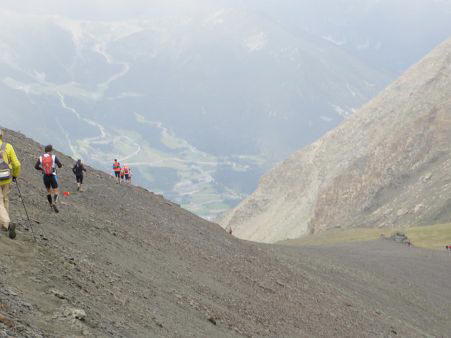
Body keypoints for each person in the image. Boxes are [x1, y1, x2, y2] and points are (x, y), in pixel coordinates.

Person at [0, 129, 21, 239]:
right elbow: (17, 164)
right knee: (5, 199)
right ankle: (3, 225)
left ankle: (7, 224)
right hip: (6, 177)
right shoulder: (8, 146)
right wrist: (15, 175)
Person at [35, 145, 63, 213]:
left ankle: (50, 204)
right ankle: (55, 203)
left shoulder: (41, 158)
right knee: (56, 191)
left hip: (45, 176)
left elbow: (36, 166)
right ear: (51, 150)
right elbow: (60, 165)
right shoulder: (53, 157)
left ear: (45, 150)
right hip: (52, 175)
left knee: (48, 191)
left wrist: (42, 169)